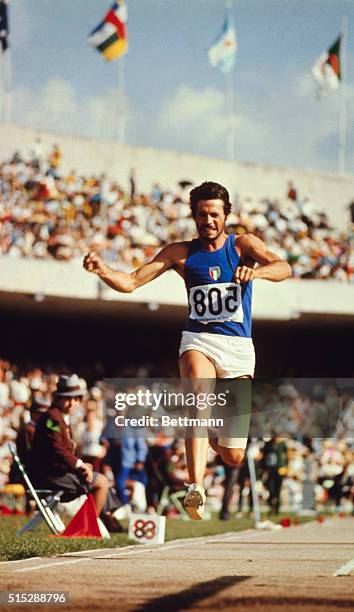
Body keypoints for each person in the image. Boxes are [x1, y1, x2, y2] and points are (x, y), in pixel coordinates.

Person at [83, 181, 292, 519]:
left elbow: (284, 267)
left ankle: (211, 433)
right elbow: (132, 282)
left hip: (238, 349)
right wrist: (102, 269)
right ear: (193, 216)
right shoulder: (179, 253)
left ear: (226, 215)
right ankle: (196, 488)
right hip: (199, 341)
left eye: (214, 215)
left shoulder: (243, 245)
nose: (207, 221)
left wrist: (257, 272)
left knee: (233, 456)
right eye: (201, 215)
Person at [30, 374, 122, 530]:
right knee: (101, 482)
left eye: (76, 399)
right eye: (67, 399)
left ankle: (104, 518)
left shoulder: (61, 418)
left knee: (100, 480)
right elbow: (57, 449)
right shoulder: (52, 418)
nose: (72, 403)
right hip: (49, 475)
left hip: (57, 472)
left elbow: (65, 450)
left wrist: (82, 464)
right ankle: (88, 527)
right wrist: (80, 465)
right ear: (57, 398)